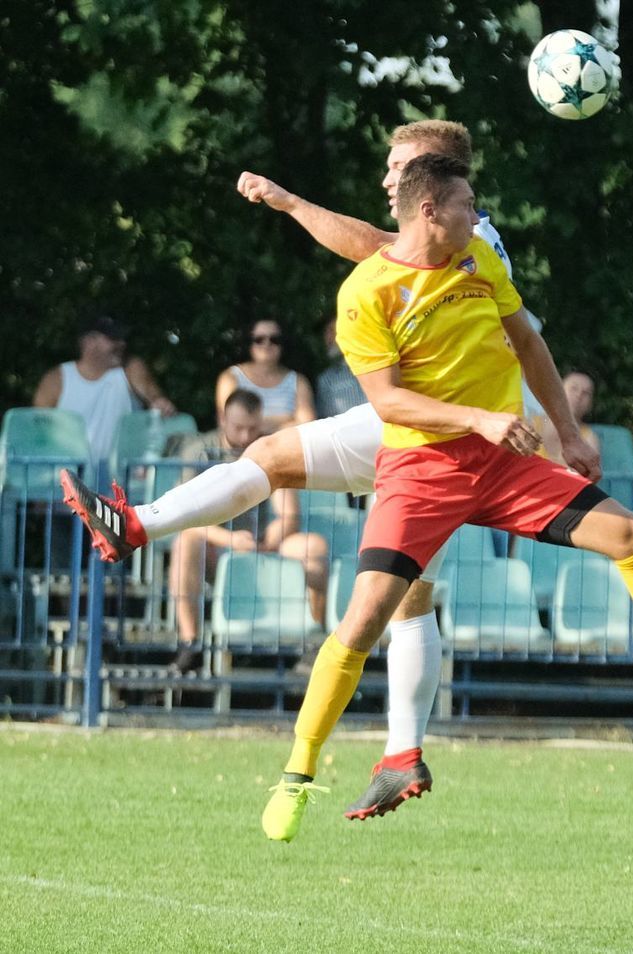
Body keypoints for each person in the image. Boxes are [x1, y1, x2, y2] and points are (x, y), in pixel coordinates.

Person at [259, 154, 633, 842]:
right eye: (466, 203)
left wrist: (566, 432)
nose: (477, 216)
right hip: (421, 472)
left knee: (631, 535)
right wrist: (479, 418)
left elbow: (528, 343)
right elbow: (386, 398)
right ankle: (297, 773)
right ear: (429, 211)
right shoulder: (370, 291)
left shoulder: (478, 257)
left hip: (504, 466)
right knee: (362, 625)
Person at [61, 120, 501, 822]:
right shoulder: (458, 233)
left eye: (397, 167)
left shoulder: (461, 234)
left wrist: (291, 203)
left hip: (435, 440)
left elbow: (369, 243)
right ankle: (402, 752)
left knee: (391, 586)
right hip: (427, 433)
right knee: (402, 587)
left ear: (432, 182)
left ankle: (136, 525)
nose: (386, 177)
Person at [166, 390, 328, 674]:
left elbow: (288, 513)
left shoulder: (271, 449)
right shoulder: (198, 451)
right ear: (221, 419)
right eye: (238, 428)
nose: (245, 437)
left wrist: (273, 537)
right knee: (184, 542)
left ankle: (316, 641)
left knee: (313, 547)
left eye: (252, 428)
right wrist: (229, 539)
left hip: (265, 546)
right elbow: (184, 514)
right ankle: (189, 643)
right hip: (218, 546)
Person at [33, 315, 176, 466]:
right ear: (88, 342)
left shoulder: (129, 369)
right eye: (114, 339)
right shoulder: (56, 379)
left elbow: (152, 394)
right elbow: (37, 431)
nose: (122, 344)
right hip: (68, 479)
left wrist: (158, 402)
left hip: (121, 481)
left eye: (122, 339)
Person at [214, 318, 316, 435]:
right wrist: (286, 419)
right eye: (259, 339)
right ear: (249, 343)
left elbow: (308, 427)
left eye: (274, 340)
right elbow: (227, 424)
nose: (267, 344)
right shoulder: (230, 377)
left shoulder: (298, 381)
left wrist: (253, 424)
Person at [540, 370, 600, 465]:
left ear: (590, 405)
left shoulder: (589, 439)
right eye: (574, 388)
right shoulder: (532, 422)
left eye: (586, 393)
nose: (579, 395)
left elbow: (587, 477)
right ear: (558, 392)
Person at [315, 316, 366, 419]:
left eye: (333, 330)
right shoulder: (326, 379)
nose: (328, 337)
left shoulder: (377, 366)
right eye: (326, 332)